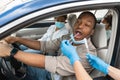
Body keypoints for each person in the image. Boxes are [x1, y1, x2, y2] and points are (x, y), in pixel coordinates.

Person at [0, 11, 97, 80]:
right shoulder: (67, 38)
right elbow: (44, 45)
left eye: (86, 25)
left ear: (92, 32)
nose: (80, 26)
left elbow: (49, 62)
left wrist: (11, 51)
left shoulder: (88, 55)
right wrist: (16, 39)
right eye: (78, 22)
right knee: (22, 66)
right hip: (51, 73)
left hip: (52, 76)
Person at [20, 15, 69, 80]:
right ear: (55, 19)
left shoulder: (65, 32)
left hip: (48, 50)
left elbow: (53, 47)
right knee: (21, 46)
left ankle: (24, 67)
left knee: (25, 53)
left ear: (65, 20)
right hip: (43, 45)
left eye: (62, 21)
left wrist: (37, 47)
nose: (59, 22)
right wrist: (34, 44)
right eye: (58, 20)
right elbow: (44, 37)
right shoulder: (52, 27)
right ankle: (23, 66)